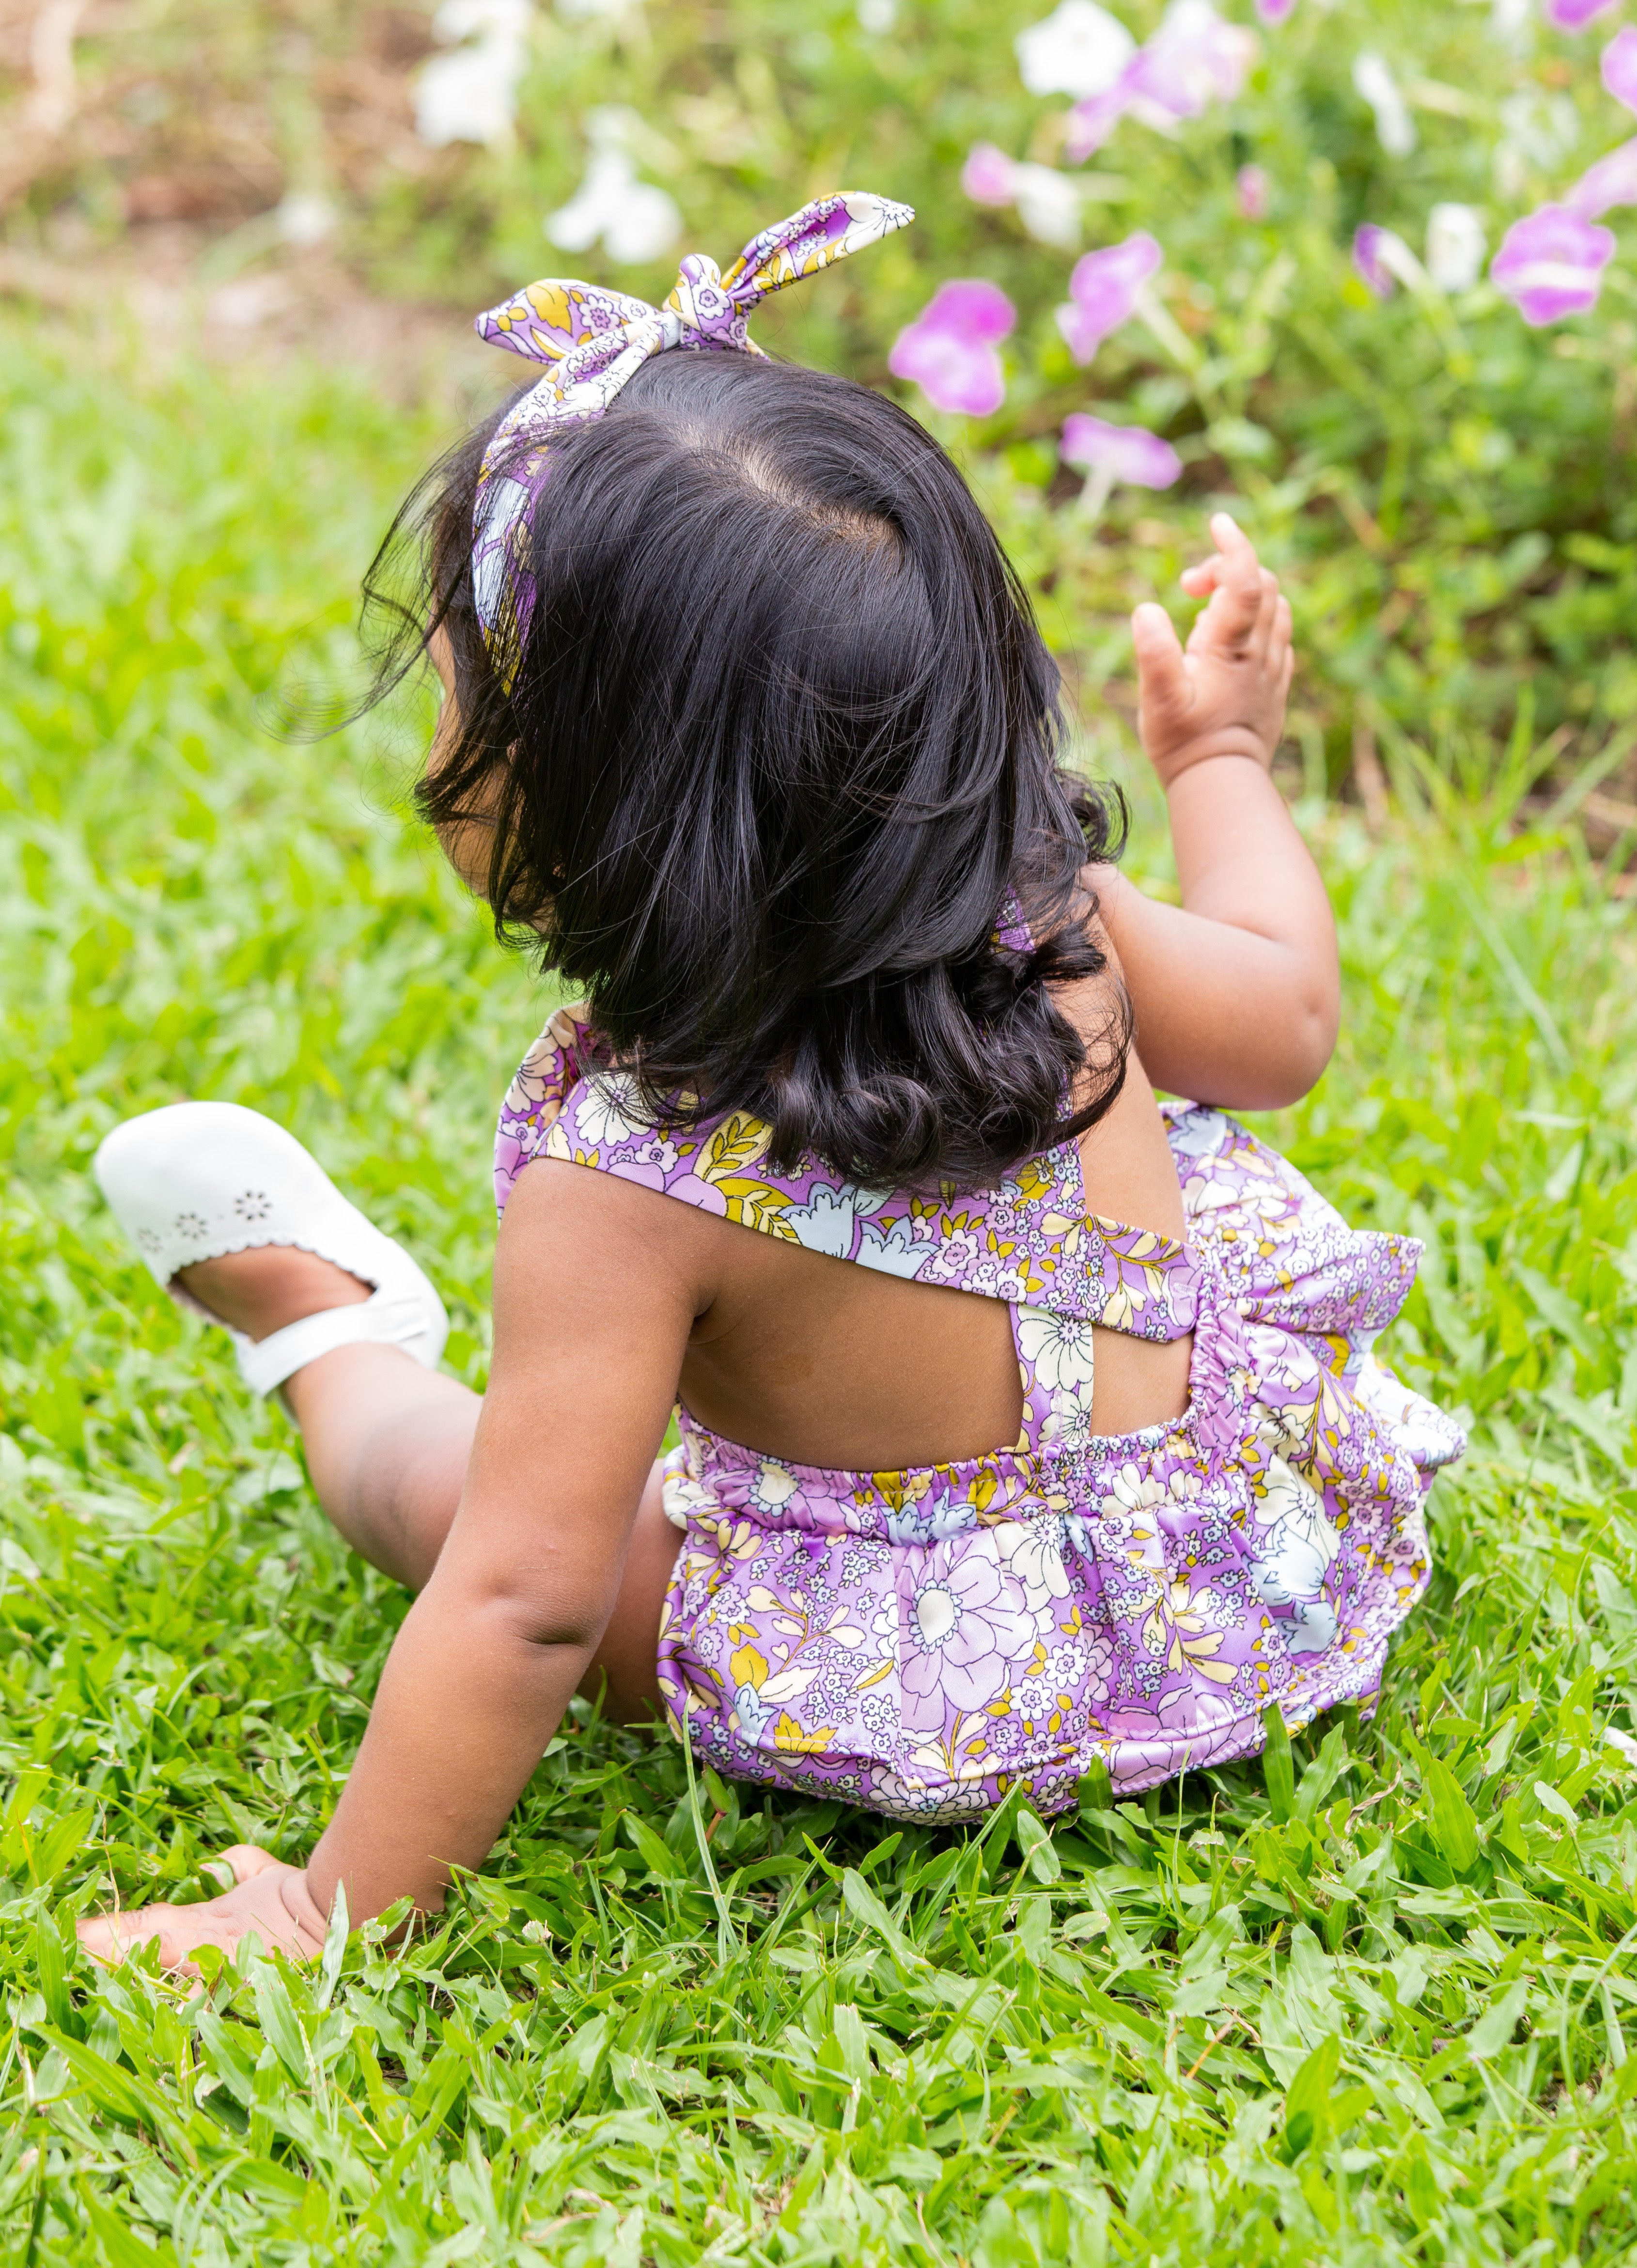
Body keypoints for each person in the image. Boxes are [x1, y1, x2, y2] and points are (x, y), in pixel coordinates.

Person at [81, 195, 1463, 1971]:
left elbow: (523, 1599)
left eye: (455, 701)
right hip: (1234, 1585)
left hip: (914, 1684)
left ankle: (327, 1338)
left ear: (592, 805)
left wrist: (324, 1907)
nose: (436, 743)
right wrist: (1220, 758)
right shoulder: (1053, 913)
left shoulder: (633, 1185)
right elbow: (1280, 1018)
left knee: (450, 1496)